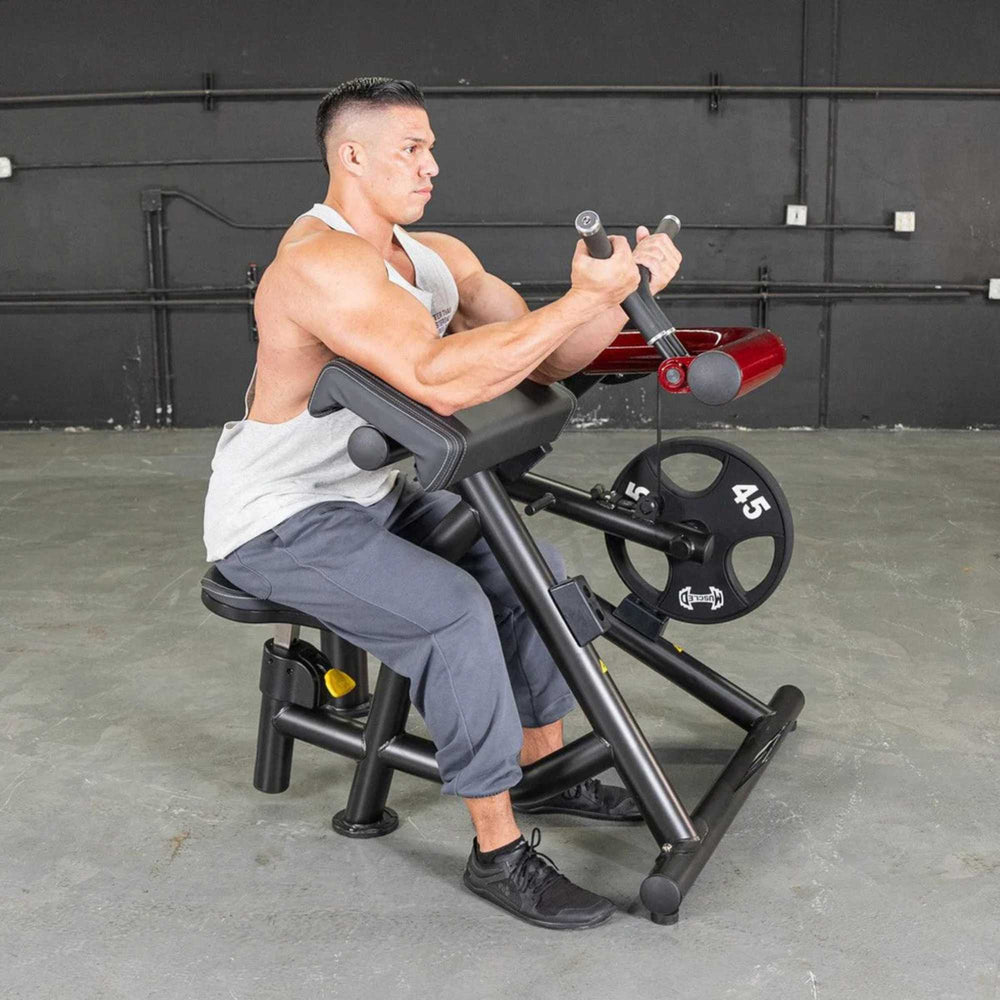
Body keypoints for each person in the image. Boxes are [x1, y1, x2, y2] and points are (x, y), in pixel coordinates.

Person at [203, 76, 681, 930]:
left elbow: (553, 358)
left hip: (371, 496)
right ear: (352, 156)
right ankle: (497, 854)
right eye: (411, 149)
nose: (432, 166)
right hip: (278, 518)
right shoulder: (318, 263)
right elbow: (433, 378)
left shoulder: (438, 260)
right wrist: (585, 300)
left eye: (431, 148)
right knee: (452, 611)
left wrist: (617, 294)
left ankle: (553, 774)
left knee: (529, 570)